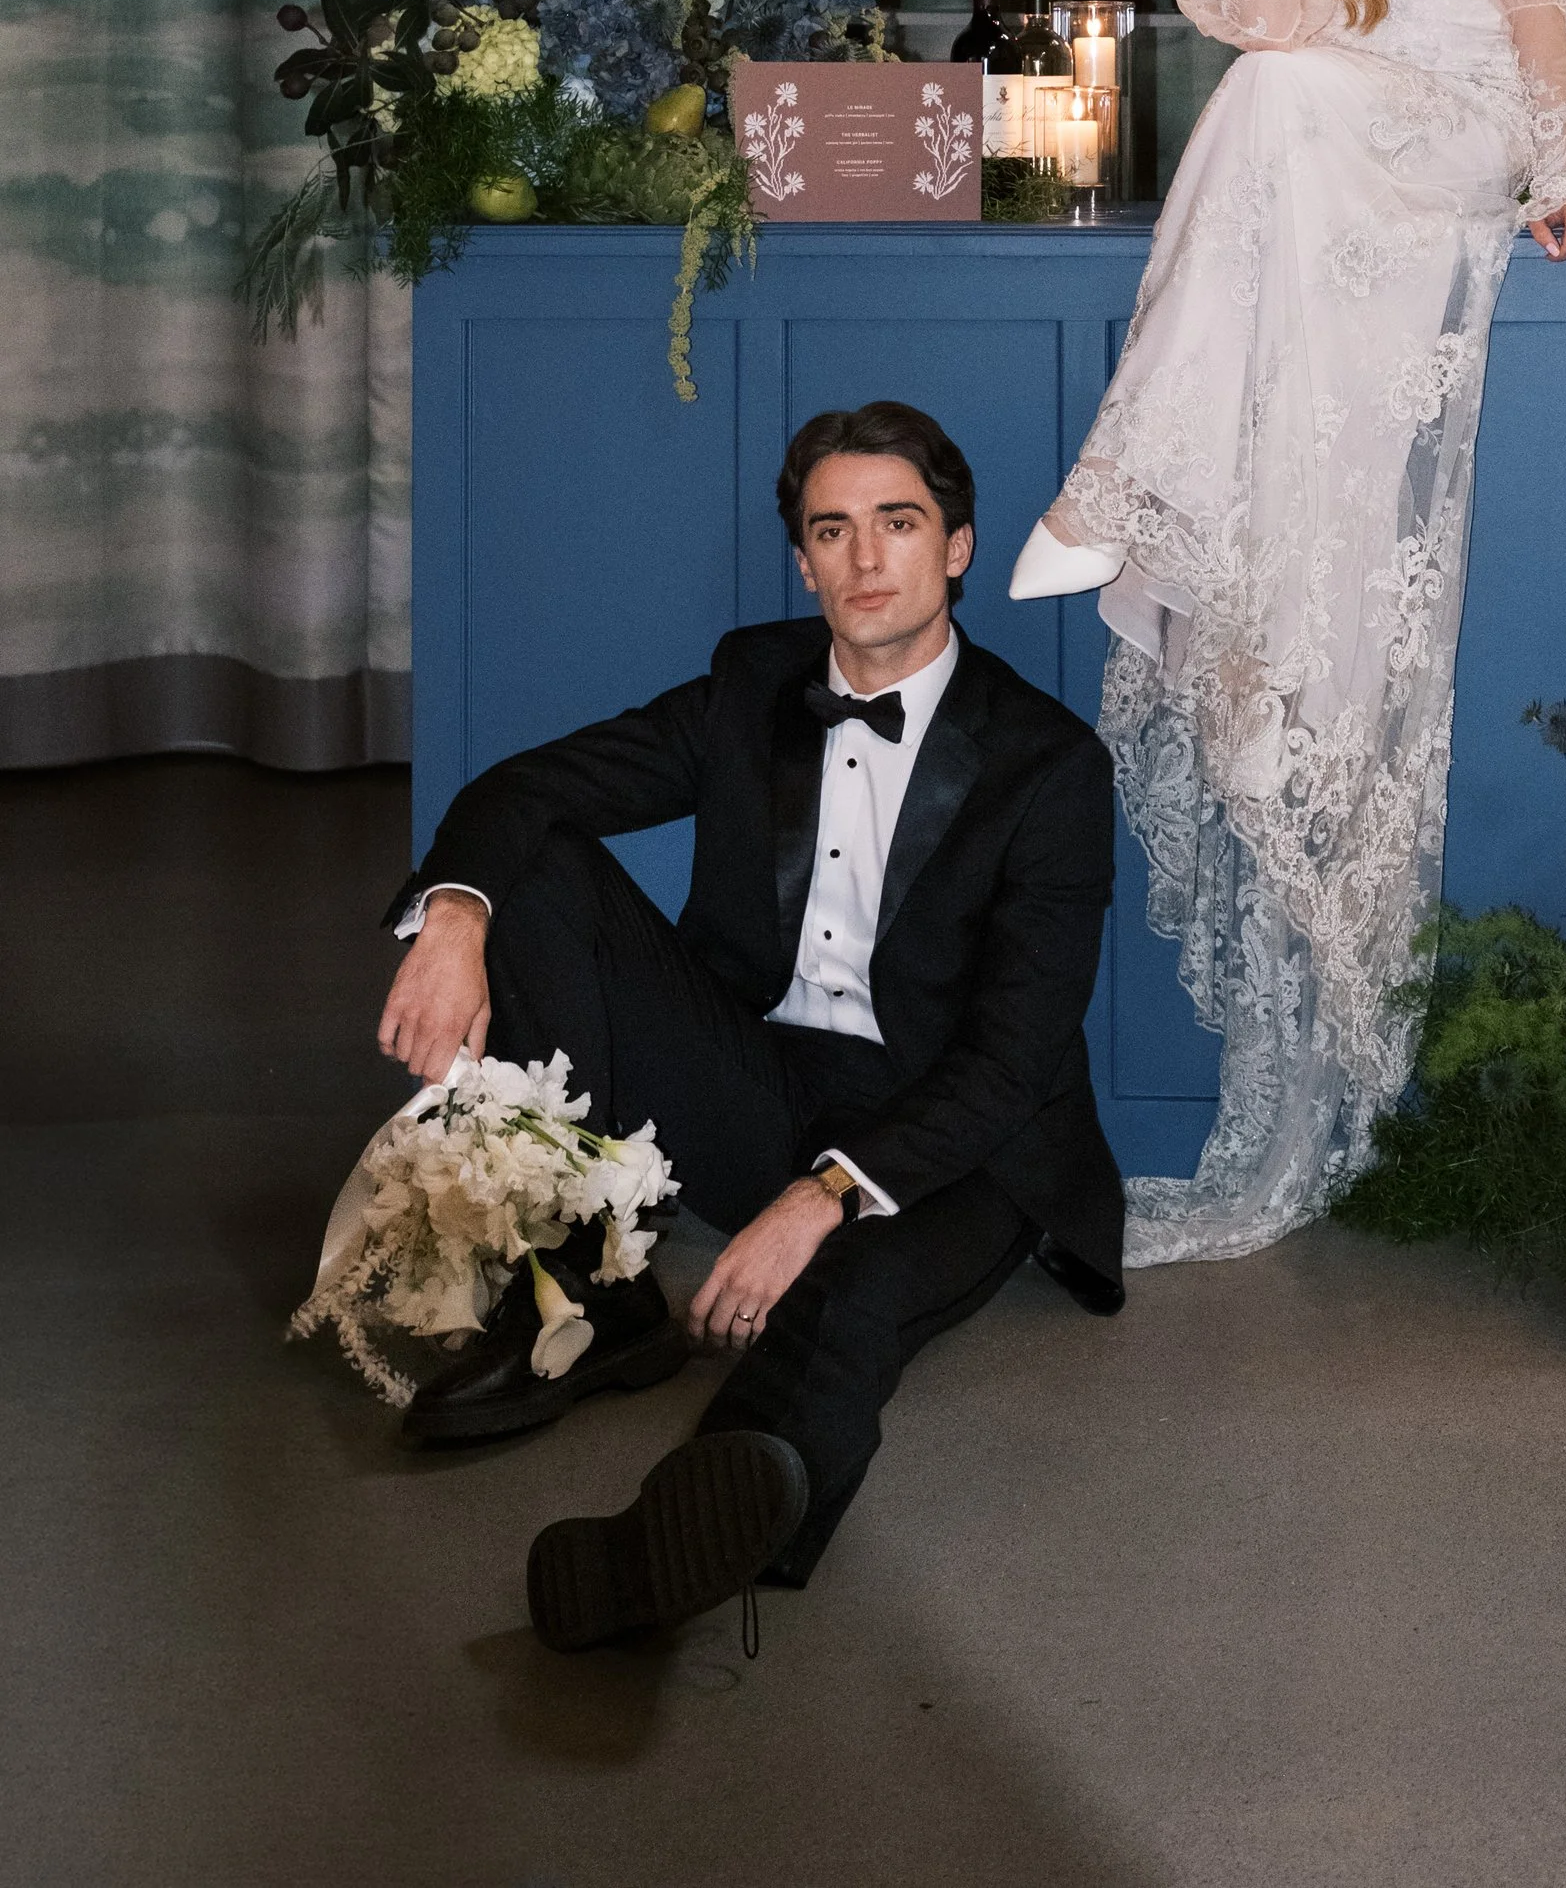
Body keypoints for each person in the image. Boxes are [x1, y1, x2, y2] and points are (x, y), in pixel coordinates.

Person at [1006, 0, 1566, 1263]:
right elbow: (1267, 11)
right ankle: (1225, 601)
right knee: (1272, 85)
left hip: (1447, 127)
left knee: (1289, 106)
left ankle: (1124, 489)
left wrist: (1564, 166)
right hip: (1306, 130)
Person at [374, 400, 1124, 1652]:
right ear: (804, 560)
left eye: (899, 524)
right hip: (757, 1069)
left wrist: (822, 1195)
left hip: (954, 1128)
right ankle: (587, 1290)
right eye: (833, 531)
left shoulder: (1048, 767)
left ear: (958, 549)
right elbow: (531, 788)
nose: (866, 558)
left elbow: (1013, 1060)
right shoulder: (751, 683)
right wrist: (454, 917)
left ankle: (675, 1541)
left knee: (854, 1295)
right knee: (535, 868)